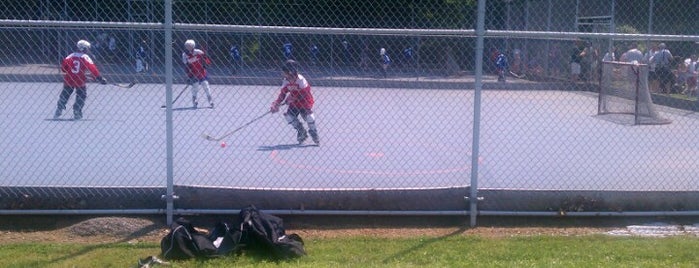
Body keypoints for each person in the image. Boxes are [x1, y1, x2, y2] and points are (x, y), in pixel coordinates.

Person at [269, 60, 320, 145]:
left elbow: (305, 94)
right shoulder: (286, 81)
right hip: (294, 103)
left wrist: (292, 99)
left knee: (309, 117)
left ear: (291, 72)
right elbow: (283, 93)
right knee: (288, 116)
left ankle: (314, 132)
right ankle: (301, 131)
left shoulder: (301, 80)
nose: (283, 74)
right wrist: (276, 104)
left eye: (285, 72)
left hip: (305, 102)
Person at [53, 40, 107, 120]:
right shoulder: (85, 57)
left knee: (65, 94)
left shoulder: (70, 56)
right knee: (81, 95)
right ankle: (77, 110)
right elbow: (93, 68)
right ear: (83, 49)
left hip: (69, 79)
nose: (88, 50)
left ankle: (59, 108)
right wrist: (99, 78)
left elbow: (64, 68)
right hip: (80, 80)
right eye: (87, 49)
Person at [182, 39, 214, 108]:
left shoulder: (199, 52)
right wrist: (189, 76)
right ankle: (194, 99)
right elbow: (187, 66)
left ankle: (210, 99)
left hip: (202, 72)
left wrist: (206, 64)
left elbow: (206, 60)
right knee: (195, 87)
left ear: (193, 46)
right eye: (187, 46)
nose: (188, 47)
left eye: (190, 46)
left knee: (206, 85)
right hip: (193, 74)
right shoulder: (185, 55)